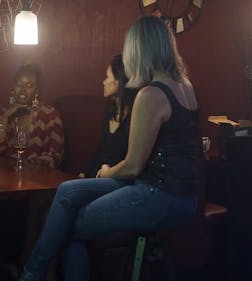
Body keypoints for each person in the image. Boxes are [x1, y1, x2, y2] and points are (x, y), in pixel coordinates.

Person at [18, 15, 201, 281]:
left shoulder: (150, 95)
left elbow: (133, 166)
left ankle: (32, 274)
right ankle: (32, 273)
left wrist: (106, 171)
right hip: (183, 197)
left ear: (139, 51)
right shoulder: (185, 86)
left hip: (157, 196)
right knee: (67, 190)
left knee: (69, 226)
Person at [0, 64, 64, 169]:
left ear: (36, 91)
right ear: (13, 88)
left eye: (29, 86)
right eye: (19, 85)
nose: (23, 90)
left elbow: (56, 156)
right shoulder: (3, 112)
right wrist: (5, 119)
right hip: (7, 174)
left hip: (38, 177)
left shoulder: (50, 114)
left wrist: (27, 165)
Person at [81, 55, 138, 178]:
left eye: (107, 77)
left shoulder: (136, 113)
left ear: (119, 82)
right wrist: (85, 173)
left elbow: (132, 161)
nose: (103, 82)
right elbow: (102, 150)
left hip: (119, 178)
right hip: (99, 175)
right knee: (67, 187)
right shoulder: (111, 108)